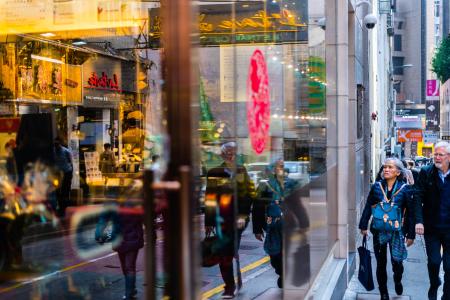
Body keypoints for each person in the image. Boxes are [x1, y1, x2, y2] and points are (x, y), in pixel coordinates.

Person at [359, 157, 418, 300]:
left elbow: (411, 213)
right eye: (385, 167)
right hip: (378, 229)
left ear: (398, 172)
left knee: (397, 262)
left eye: (390, 167)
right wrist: (363, 225)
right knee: (380, 262)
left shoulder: (405, 189)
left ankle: (398, 279)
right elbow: (368, 206)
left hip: (397, 232)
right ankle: (383, 293)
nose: (386, 169)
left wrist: (411, 235)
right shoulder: (377, 187)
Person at [204, 142, 255, 299]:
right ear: (222, 155)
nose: (231, 155)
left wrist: (243, 215)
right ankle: (229, 286)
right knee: (224, 253)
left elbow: (248, 194)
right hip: (221, 219)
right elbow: (210, 198)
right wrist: (209, 221)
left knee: (229, 251)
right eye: (227, 152)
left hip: (237, 220)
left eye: (233, 152)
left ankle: (231, 281)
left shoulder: (241, 170)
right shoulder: (215, 172)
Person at [252, 159, 298, 288]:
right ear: (273, 170)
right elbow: (257, 207)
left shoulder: (292, 184)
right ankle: (282, 273)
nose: (281, 169)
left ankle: (287, 274)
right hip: (272, 227)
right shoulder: (264, 185)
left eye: (283, 166)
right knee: (275, 254)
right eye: (278, 167)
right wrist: (257, 229)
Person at [414, 141, 450, 300]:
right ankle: (434, 284)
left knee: (449, 266)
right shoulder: (426, 172)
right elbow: (417, 198)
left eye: (440, 154)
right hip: (432, 228)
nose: (436, 157)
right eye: (435, 154)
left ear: (448, 157)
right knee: (434, 262)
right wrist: (419, 221)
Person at [54, 137, 73, 216]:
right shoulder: (52, 151)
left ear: (60, 144)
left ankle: (65, 205)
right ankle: (60, 203)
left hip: (66, 171)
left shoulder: (66, 151)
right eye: (55, 144)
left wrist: (71, 173)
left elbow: (70, 162)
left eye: (57, 144)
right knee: (57, 189)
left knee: (66, 188)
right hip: (57, 172)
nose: (56, 146)